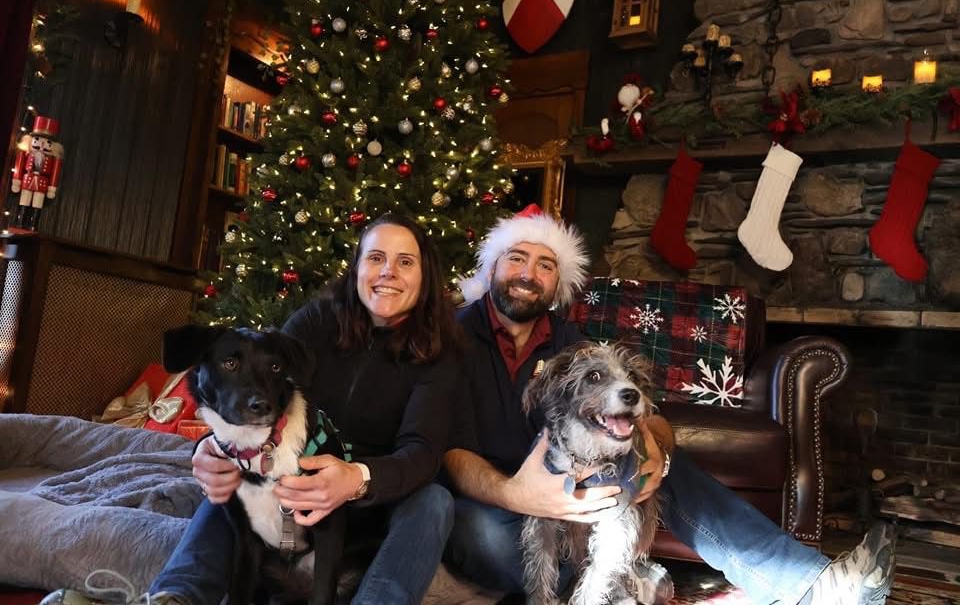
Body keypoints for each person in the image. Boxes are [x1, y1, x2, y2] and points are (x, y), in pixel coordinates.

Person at [442, 204, 897, 605]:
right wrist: (515, 493)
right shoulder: (450, 339)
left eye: (545, 264)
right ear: (491, 266)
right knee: (478, 534)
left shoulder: (572, 342)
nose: (529, 273)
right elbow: (446, 447)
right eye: (516, 257)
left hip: (573, 481)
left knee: (665, 465)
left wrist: (656, 449)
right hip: (492, 495)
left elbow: (645, 414)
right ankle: (615, 579)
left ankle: (808, 585)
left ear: (558, 282)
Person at [44, 213, 461, 605]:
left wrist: (357, 478)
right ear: (357, 270)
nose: (388, 271)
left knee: (435, 500)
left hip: (370, 507)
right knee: (230, 477)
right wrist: (209, 450)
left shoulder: (438, 354)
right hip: (289, 471)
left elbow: (422, 452)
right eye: (376, 258)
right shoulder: (320, 319)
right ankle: (177, 596)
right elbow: (255, 382)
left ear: (424, 277)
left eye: (405, 262)